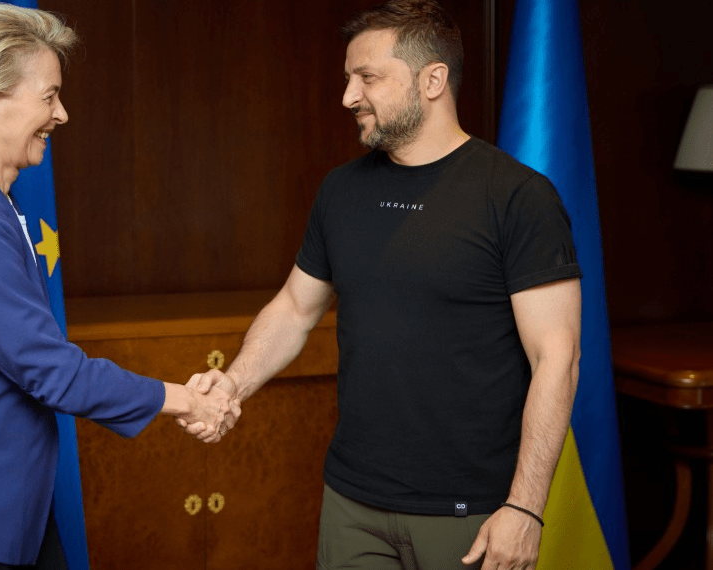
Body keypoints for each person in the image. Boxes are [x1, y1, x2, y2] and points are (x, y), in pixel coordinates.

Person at [185, 1, 582, 568]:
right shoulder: (340, 191)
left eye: (367, 77)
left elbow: (558, 358)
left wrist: (525, 507)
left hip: (473, 515)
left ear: (433, 80)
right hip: (352, 502)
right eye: (349, 77)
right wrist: (231, 387)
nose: (349, 95)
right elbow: (296, 308)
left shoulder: (518, 196)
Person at [0, 4, 237, 569]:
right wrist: (186, 398)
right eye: (49, 96)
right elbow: (52, 372)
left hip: (2, 513)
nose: (62, 114)